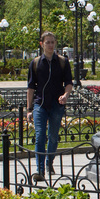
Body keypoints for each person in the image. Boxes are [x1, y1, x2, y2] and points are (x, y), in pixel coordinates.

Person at [26, 32, 74, 180]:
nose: (51, 45)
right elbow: (30, 88)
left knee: (53, 137)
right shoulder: (35, 63)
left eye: (53, 42)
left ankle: (49, 162)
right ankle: (40, 170)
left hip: (56, 105)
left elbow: (69, 83)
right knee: (40, 135)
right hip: (40, 104)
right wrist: (29, 110)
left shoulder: (62, 62)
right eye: (48, 42)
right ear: (42, 44)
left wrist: (65, 95)